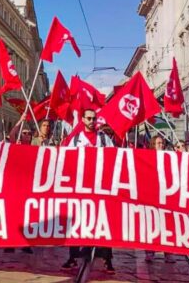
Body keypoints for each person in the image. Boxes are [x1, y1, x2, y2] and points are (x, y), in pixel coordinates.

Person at [62, 109, 114, 273]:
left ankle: (107, 259)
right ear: (83, 120)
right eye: (89, 118)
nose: (92, 121)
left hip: (100, 187)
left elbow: (115, 158)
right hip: (80, 187)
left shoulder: (104, 139)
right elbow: (66, 160)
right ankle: (73, 257)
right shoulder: (75, 139)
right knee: (76, 221)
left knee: (103, 222)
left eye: (94, 118)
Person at [146, 135, 175, 264]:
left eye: (162, 143)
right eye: (158, 143)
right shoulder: (147, 158)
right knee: (151, 225)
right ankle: (150, 252)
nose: (161, 146)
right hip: (152, 196)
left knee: (167, 226)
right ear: (153, 145)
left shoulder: (170, 158)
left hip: (166, 197)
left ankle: (168, 253)